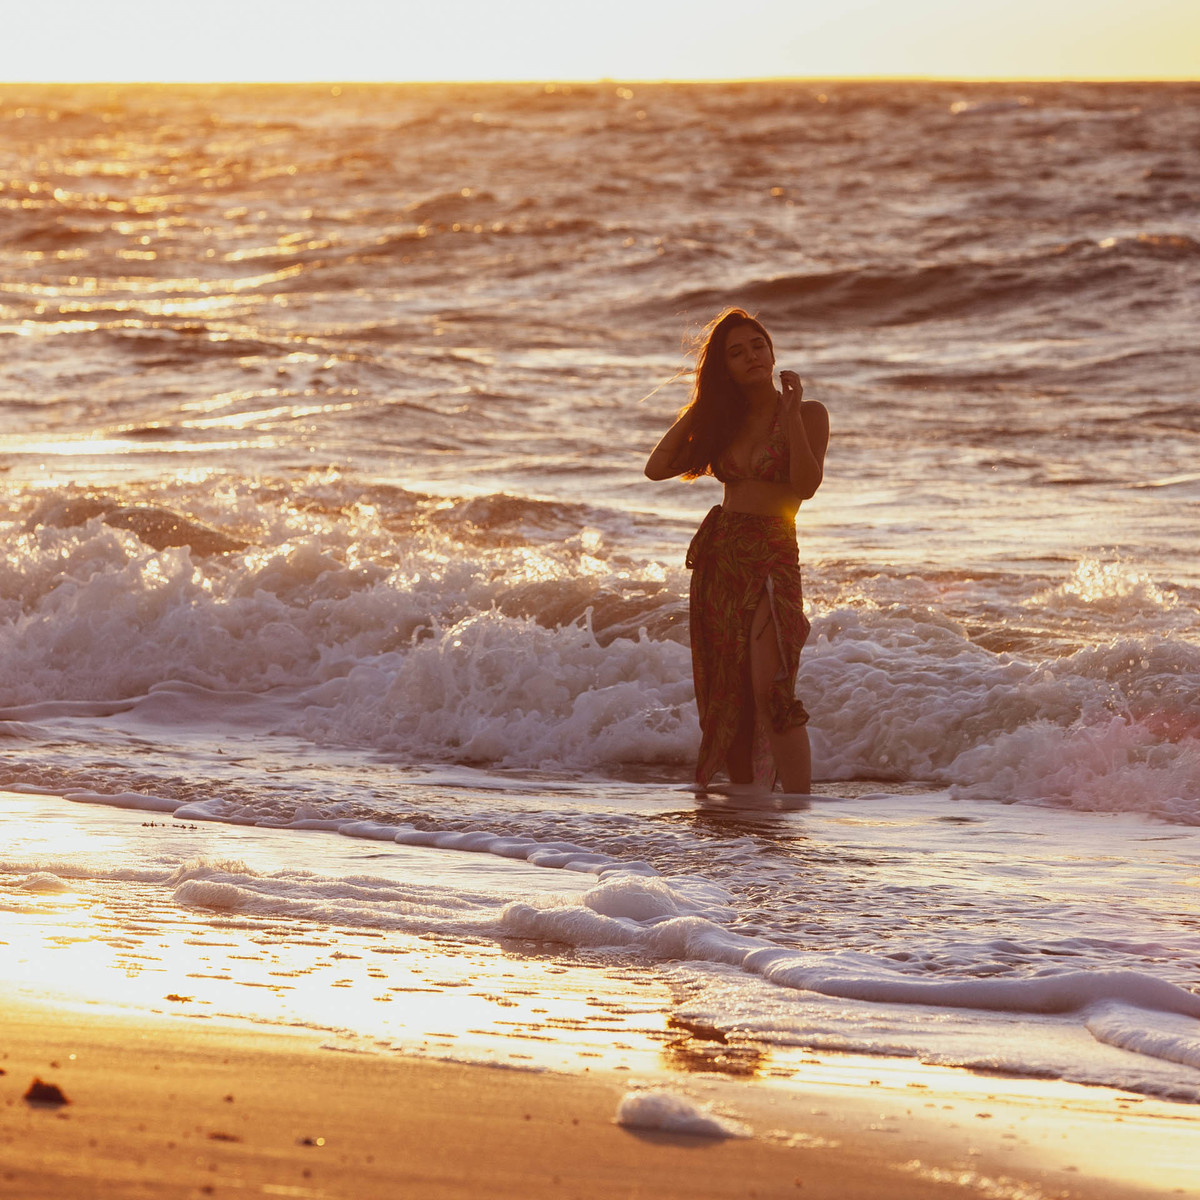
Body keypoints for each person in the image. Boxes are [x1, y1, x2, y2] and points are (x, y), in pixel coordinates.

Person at [645, 308, 829, 794]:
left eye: (757, 345)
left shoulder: (809, 414)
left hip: (771, 553)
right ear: (723, 367)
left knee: (772, 688)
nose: (751, 356)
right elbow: (656, 468)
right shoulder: (724, 422)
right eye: (736, 352)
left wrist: (791, 414)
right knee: (726, 691)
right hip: (720, 554)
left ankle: (798, 806)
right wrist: (700, 408)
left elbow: (806, 486)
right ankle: (747, 808)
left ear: (771, 351)